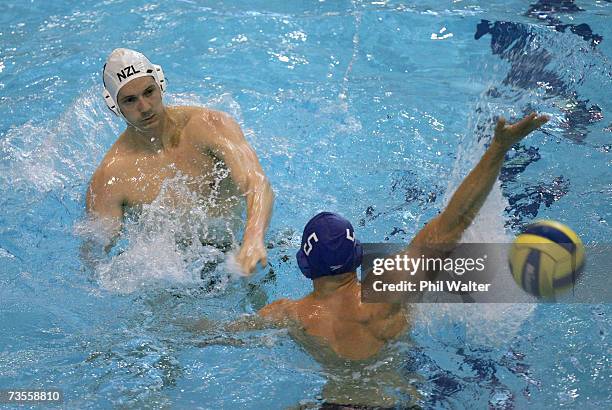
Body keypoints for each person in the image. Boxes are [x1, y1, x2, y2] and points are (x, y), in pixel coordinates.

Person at [257, 112, 549, 360]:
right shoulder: (387, 292)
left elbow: (222, 332)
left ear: (305, 265)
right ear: (358, 255)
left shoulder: (289, 315)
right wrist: (498, 148)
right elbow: (456, 221)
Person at [86, 48, 274, 274]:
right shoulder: (110, 179)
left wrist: (253, 237)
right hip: (180, 276)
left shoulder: (210, 126)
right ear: (113, 105)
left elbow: (257, 183)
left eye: (149, 92)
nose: (144, 107)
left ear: (161, 83)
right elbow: (94, 261)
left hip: (244, 252)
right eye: (130, 100)